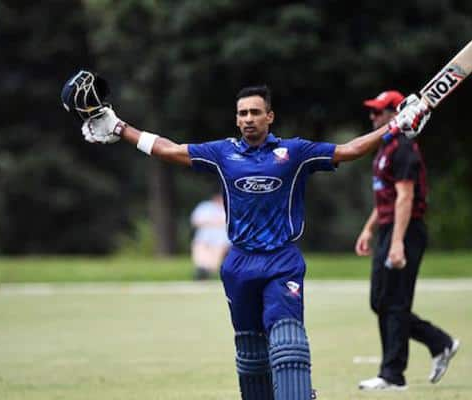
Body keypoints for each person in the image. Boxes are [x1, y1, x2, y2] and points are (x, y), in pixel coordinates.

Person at [62, 71, 430, 400]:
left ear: (270, 116)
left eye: (255, 112)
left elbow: (350, 150)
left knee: (287, 344)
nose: (248, 119)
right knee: (251, 353)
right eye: (242, 114)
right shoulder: (223, 153)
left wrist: (394, 127)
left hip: (281, 261)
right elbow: (169, 150)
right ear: (236, 119)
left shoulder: (295, 152)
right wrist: (121, 128)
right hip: (238, 263)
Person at [354, 90, 459, 391]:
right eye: (372, 111)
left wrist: (398, 242)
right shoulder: (385, 147)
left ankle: (392, 375)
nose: (373, 117)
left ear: (395, 113)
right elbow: (385, 199)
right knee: (380, 301)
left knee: (395, 303)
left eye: (379, 112)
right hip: (389, 229)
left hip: (407, 230)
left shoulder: (404, 149)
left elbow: (405, 198)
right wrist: (369, 230)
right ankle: (440, 342)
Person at [190, 193, 230, 280]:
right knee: (200, 248)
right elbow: (196, 221)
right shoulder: (205, 206)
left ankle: (207, 271)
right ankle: (201, 268)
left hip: (222, 240)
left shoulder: (229, 207)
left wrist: (211, 222)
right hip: (204, 238)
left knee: (218, 249)